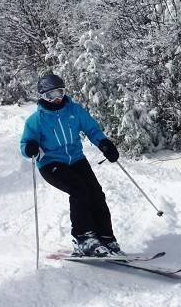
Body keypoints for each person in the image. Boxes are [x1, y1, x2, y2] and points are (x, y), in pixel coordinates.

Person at [20, 74, 122, 257]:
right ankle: (83, 238)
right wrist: (30, 148)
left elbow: (92, 129)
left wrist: (104, 144)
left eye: (60, 92)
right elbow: (25, 144)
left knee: (96, 193)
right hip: (51, 163)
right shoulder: (36, 120)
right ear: (43, 96)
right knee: (79, 190)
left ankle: (105, 237)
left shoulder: (74, 110)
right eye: (51, 95)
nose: (57, 98)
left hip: (76, 159)